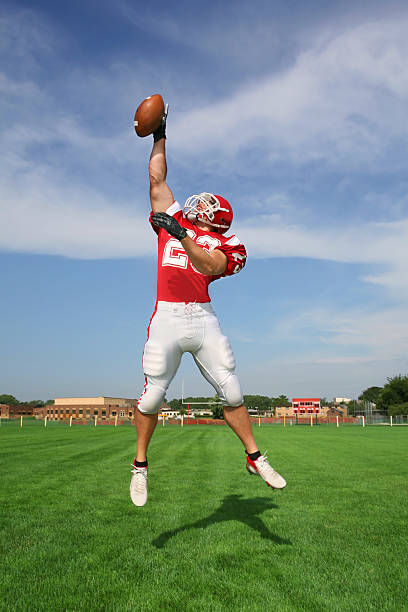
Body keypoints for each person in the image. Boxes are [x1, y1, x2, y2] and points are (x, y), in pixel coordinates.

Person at [130, 105, 286, 506]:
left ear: (217, 221)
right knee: (151, 398)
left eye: (208, 209)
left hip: (201, 316)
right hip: (166, 313)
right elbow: (156, 179)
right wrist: (159, 134)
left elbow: (209, 263)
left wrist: (182, 235)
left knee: (231, 390)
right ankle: (140, 467)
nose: (199, 207)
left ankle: (254, 457)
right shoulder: (177, 217)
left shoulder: (230, 245)